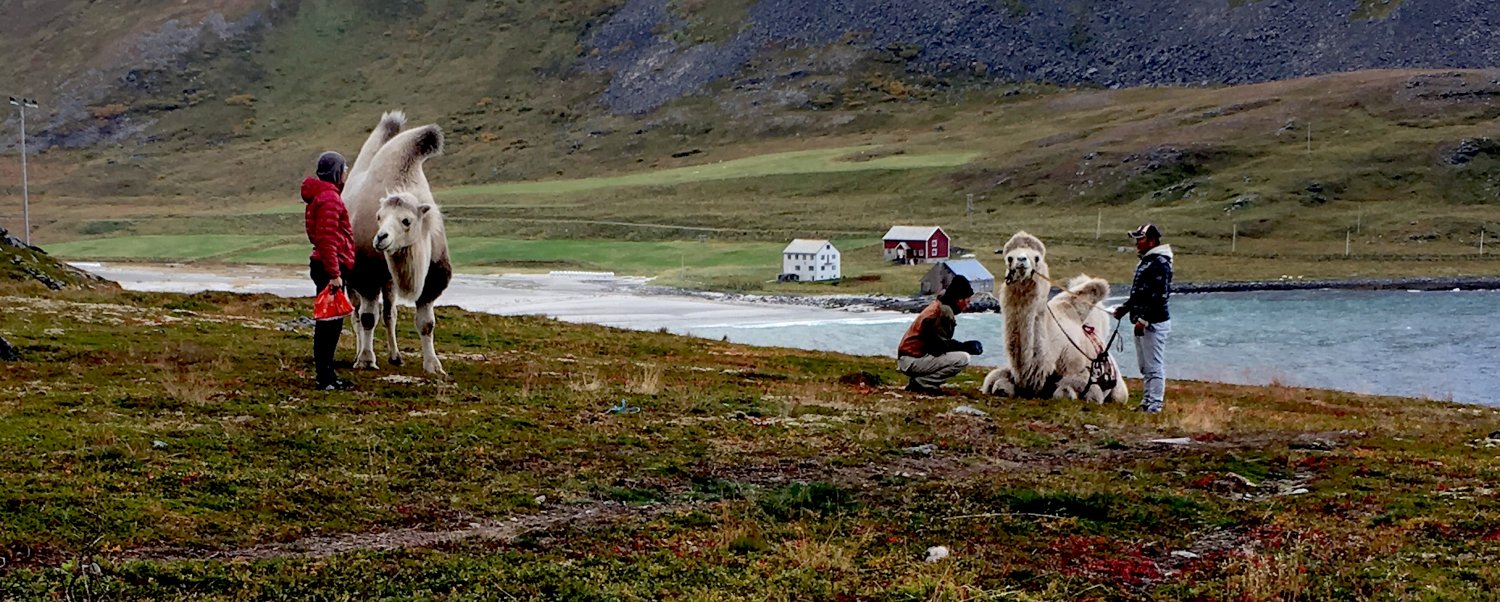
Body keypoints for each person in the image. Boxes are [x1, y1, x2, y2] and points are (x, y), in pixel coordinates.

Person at [302, 151, 356, 391]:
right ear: (337, 171)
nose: (346, 173)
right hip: (329, 267)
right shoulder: (330, 199)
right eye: (344, 169)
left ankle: (327, 375)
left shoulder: (321, 196)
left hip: (325, 264)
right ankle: (326, 377)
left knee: (329, 322)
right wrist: (335, 274)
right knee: (330, 325)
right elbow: (327, 238)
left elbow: (320, 236)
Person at [1113, 223, 1173, 413]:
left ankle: (1155, 405)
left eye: (1141, 239)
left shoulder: (1160, 264)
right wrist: (1125, 308)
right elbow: (1140, 294)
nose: (1138, 243)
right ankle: (1147, 402)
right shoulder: (1149, 261)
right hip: (1143, 320)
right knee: (1145, 366)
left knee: (1154, 365)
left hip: (1153, 323)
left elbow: (1159, 295)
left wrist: (1144, 320)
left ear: (1152, 241)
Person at [897, 275, 984, 394]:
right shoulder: (944, 312)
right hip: (912, 360)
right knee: (963, 359)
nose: (968, 304)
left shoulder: (939, 306)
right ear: (959, 300)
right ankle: (923, 383)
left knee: (957, 355)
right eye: (967, 300)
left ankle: (921, 382)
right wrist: (965, 347)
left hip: (908, 358)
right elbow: (937, 347)